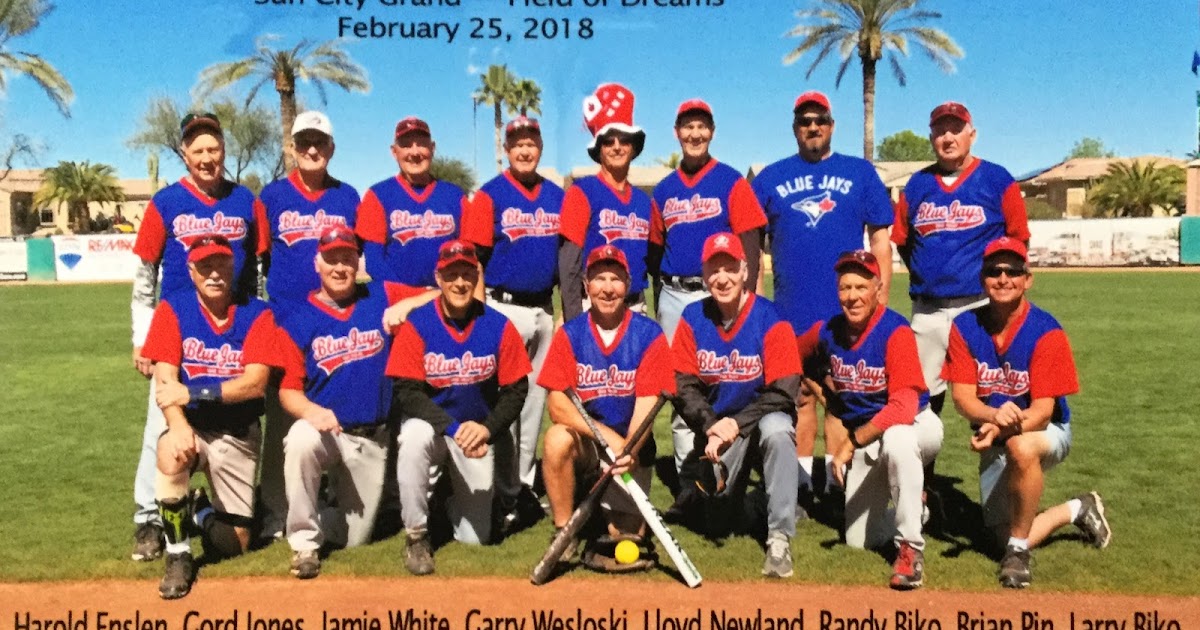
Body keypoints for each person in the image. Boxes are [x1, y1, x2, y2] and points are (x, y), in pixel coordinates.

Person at [129, 112, 266, 562]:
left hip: (229, 328)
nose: (207, 157)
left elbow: (257, 273)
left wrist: (253, 323)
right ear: (184, 154)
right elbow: (145, 274)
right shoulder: (166, 202)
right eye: (198, 149)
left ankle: (208, 508)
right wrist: (141, 335)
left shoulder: (245, 200)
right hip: (175, 329)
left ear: (224, 150)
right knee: (162, 428)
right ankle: (149, 519)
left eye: (214, 148)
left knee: (226, 417)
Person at [943, 237, 1111, 589]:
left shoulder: (1046, 331)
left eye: (1012, 271)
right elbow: (962, 399)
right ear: (982, 278)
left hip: (1048, 431)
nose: (1003, 278)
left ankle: (1019, 555)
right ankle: (1077, 509)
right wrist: (992, 418)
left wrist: (1001, 431)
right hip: (996, 433)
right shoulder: (964, 326)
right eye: (993, 271)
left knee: (1022, 449)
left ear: (1027, 279)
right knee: (995, 538)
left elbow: (1042, 412)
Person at [750, 91, 894, 496]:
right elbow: (754, 249)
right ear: (794, 127)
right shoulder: (771, 177)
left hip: (844, 311)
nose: (812, 127)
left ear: (832, 125)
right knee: (796, 400)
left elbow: (881, 240)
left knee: (839, 397)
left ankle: (835, 484)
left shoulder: (861, 173)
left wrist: (879, 298)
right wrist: (759, 308)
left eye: (820, 120)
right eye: (804, 121)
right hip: (788, 311)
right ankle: (796, 484)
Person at [273, 226, 419, 579]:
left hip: (372, 438)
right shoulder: (298, 318)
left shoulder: (381, 295)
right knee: (300, 439)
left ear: (358, 262)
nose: (340, 267)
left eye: (347, 259)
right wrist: (311, 411)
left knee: (352, 541)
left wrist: (406, 305)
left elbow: (438, 294)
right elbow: (287, 391)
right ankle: (304, 545)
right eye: (331, 259)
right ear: (317, 263)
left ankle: (320, 502)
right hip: (328, 433)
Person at [139, 234, 276, 599]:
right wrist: (179, 424)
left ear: (234, 267)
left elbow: (255, 384)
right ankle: (178, 554)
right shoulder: (174, 309)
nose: (214, 274)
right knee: (170, 449)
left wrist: (197, 391)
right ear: (191, 270)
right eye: (205, 266)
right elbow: (165, 379)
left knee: (235, 544)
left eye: (221, 265)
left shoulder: (257, 312)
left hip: (237, 431)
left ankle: (199, 510)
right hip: (195, 427)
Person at [386, 240, 532, 576]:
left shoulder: (498, 325)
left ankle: (445, 499)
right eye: (452, 274)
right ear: (439, 278)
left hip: (476, 434)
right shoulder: (419, 323)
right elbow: (407, 392)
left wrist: (487, 429)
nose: (460, 282)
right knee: (412, 438)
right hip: (436, 430)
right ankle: (417, 535)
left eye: (467, 273)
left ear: (477, 276)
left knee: (476, 538)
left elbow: (515, 390)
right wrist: (453, 428)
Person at [799, 250, 943, 590]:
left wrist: (850, 441)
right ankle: (919, 507)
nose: (852, 296)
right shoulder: (829, 331)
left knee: (898, 440)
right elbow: (793, 356)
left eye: (861, 287)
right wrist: (824, 393)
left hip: (917, 425)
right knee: (858, 540)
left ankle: (910, 550)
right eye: (845, 287)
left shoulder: (895, 330)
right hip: (871, 434)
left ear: (878, 289)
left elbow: (904, 405)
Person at [650, 100, 769, 497]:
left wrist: (750, 296)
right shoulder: (664, 190)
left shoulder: (732, 181)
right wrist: (659, 300)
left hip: (720, 293)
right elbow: (655, 251)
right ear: (676, 132)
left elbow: (750, 240)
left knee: (728, 378)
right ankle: (689, 483)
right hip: (673, 294)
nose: (695, 134)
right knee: (680, 387)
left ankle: (730, 475)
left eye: (702, 126)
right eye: (688, 127)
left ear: (712, 132)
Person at [255, 110, 362, 542]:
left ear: (332, 148)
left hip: (336, 327)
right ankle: (274, 510)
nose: (312, 150)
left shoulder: (348, 197)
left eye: (320, 142)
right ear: (293, 149)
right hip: (285, 325)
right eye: (304, 143)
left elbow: (361, 257)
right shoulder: (273, 196)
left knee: (335, 415)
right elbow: (259, 258)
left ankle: (332, 501)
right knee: (283, 419)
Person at [538, 244, 676, 572]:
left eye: (616, 279)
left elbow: (648, 404)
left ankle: (602, 518)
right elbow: (557, 404)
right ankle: (565, 531)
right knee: (556, 439)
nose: (608, 288)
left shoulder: (649, 334)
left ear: (627, 286)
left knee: (624, 539)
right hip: (589, 445)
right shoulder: (570, 334)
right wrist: (607, 440)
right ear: (586, 286)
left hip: (631, 448)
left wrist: (626, 449)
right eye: (599, 279)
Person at [670, 232, 800, 578]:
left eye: (730, 268)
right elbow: (682, 384)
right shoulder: (692, 316)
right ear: (704, 275)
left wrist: (735, 424)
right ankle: (755, 502)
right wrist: (712, 423)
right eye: (714, 270)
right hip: (717, 432)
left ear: (746, 271)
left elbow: (785, 391)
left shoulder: (771, 317)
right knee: (717, 525)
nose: (722, 278)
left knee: (777, 431)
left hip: (760, 423)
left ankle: (779, 537)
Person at [892, 101, 1031, 420]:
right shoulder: (917, 185)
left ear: (972, 134)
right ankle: (923, 471)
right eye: (940, 130)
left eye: (955, 129)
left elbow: (1019, 239)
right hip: (929, 309)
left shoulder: (997, 179)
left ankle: (1002, 466)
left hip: (982, 307)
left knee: (995, 394)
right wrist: (928, 273)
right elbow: (902, 241)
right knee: (920, 400)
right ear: (931, 137)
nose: (948, 137)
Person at [462, 115, 563, 534]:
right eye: (517, 142)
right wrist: (481, 312)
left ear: (540, 146)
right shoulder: (489, 196)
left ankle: (519, 487)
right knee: (505, 405)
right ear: (505, 149)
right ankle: (499, 488)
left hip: (542, 311)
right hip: (502, 309)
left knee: (534, 407)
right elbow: (473, 259)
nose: (524, 149)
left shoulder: (557, 196)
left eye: (531, 142)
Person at [559, 83, 654, 322]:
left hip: (635, 307)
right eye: (609, 141)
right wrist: (573, 321)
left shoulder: (643, 201)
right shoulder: (582, 192)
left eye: (624, 140)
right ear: (599, 149)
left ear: (634, 147)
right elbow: (569, 263)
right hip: (594, 309)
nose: (617, 146)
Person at [356, 116, 471, 292]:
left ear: (432, 148)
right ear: (394, 152)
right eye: (406, 145)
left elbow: (468, 256)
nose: (415, 152)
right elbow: (374, 263)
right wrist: (412, 296)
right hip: (395, 302)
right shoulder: (377, 195)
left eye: (422, 144)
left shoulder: (455, 196)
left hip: (446, 300)